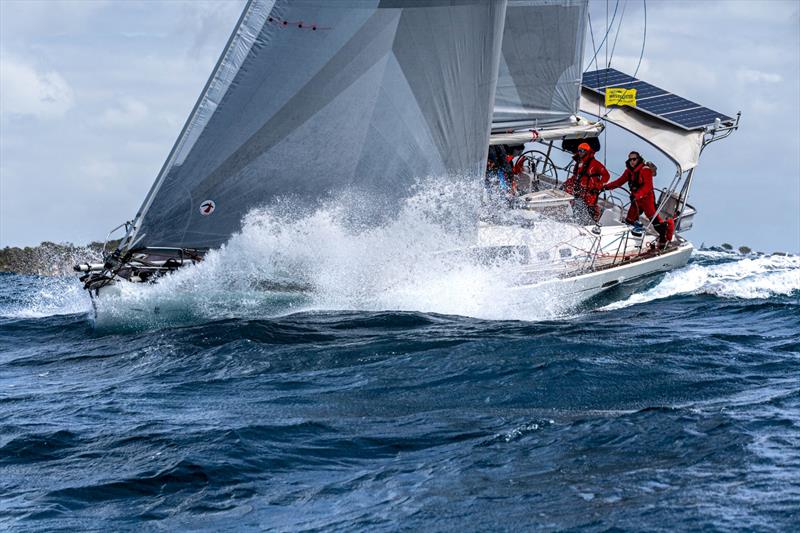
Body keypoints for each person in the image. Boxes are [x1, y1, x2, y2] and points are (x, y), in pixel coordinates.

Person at [603, 151, 675, 249]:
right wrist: (605, 187)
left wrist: (637, 195)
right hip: (636, 200)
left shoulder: (645, 170)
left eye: (634, 159)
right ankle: (629, 243)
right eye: (630, 159)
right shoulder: (628, 171)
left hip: (647, 200)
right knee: (629, 220)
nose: (632, 161)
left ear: (638, 159)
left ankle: (664, 238)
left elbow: (647, 186)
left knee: (655, 221)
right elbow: (619, 182)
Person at [562, 142, 609, 222]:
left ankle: (596, 222)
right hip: (579, 189)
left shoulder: (595, 164)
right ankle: (570, 217)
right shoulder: (578, 163)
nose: (579, 152)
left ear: (587, 151)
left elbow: (606, 175)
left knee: (591, 209)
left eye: (582, 151)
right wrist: (566, 184)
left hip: (591, 191)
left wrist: (598, 186)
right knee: (569, 198)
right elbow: (575, 177)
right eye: (579, 150)